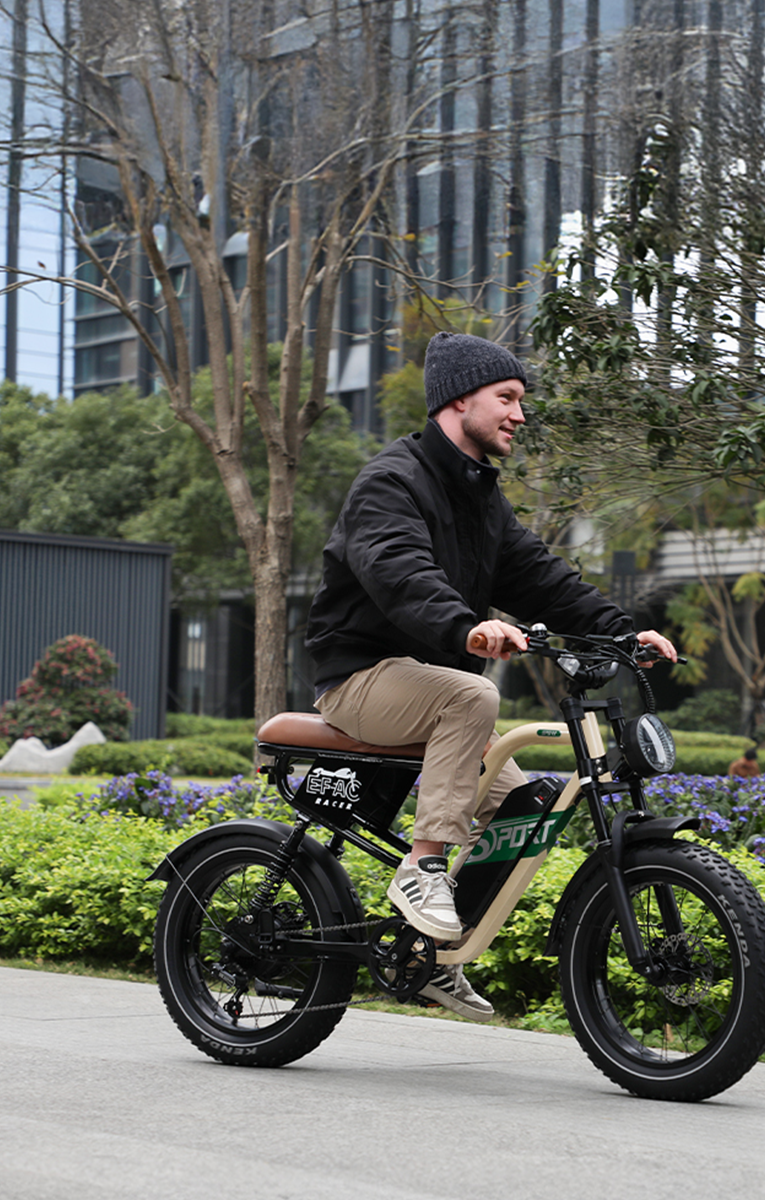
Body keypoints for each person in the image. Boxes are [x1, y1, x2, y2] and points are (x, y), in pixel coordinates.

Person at [305, 331, 677, 1021]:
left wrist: (624, 635)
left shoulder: (483, 500)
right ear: (458, 401)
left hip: (435, 689)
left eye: (520, 401)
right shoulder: (391, 481)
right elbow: (397, 570)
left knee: (522, 804)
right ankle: (421, 870)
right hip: (359, 676)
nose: (519, 415)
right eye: (506, 398)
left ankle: (429, 958)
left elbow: (544, 581)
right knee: (474, 691)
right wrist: (463, 626)